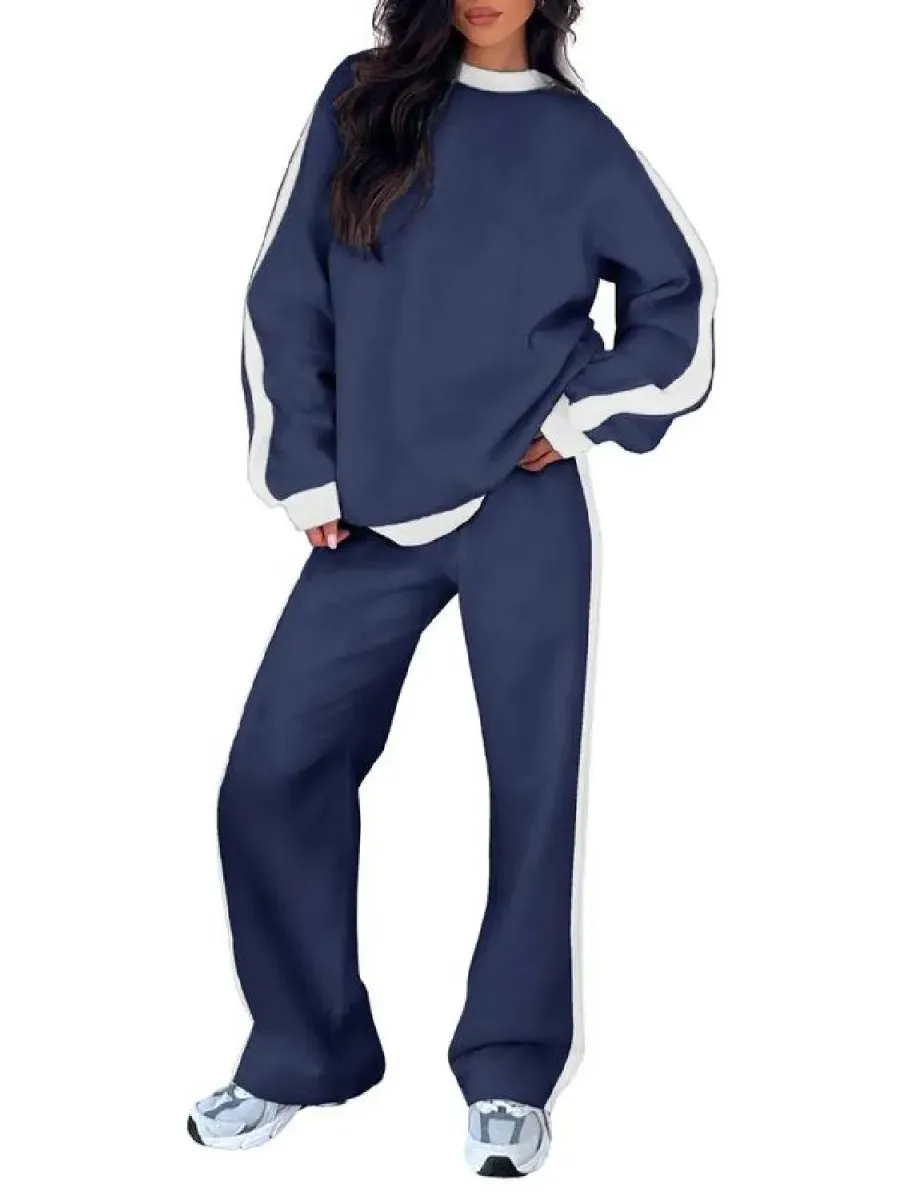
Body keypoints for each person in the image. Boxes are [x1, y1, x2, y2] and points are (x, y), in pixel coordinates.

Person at [188, 0, 716, 1176]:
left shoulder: (579, 141)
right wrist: (303, 466)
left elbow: (680, 310)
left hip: (524, 506)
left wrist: (575, 419)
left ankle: (511, 1068)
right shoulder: (362, 95)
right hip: (370, 511)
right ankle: (304, 1052)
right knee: (273, 773)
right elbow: (284, 289)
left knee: (533, 789)